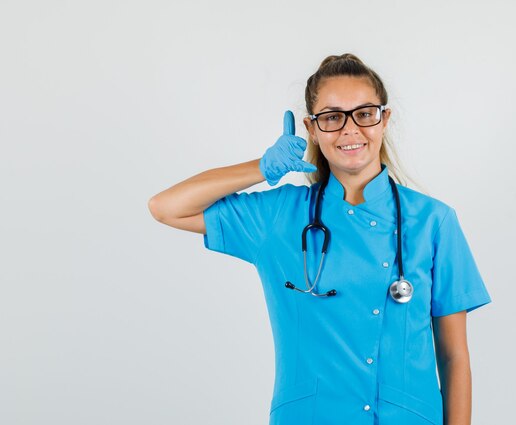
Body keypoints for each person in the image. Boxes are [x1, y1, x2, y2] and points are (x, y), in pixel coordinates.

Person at [148, 53, 492, 425]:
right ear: (312, 129)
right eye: (332, 117)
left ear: (384, 119)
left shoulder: (433, 221)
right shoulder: (279, 217)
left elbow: (454, 357)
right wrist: (262, 168)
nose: (350, 129)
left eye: (364, 113)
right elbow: (167, 207)